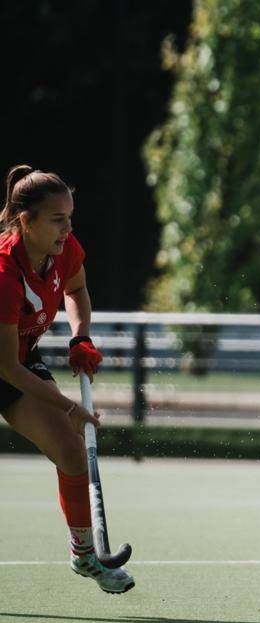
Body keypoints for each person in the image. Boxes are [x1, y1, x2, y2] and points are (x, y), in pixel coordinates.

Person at [0, 165, 134, 593]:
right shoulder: (4, 274)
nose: (67, 229)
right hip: (8, 365)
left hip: (19, 360)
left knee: (72, 452)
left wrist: (81, 337)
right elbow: (7, 369)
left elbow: (75, 290)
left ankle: (84, 555)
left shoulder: (63, 249)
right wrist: (70, 407)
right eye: (57, 220)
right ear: (26, 221)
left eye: (70, 218)